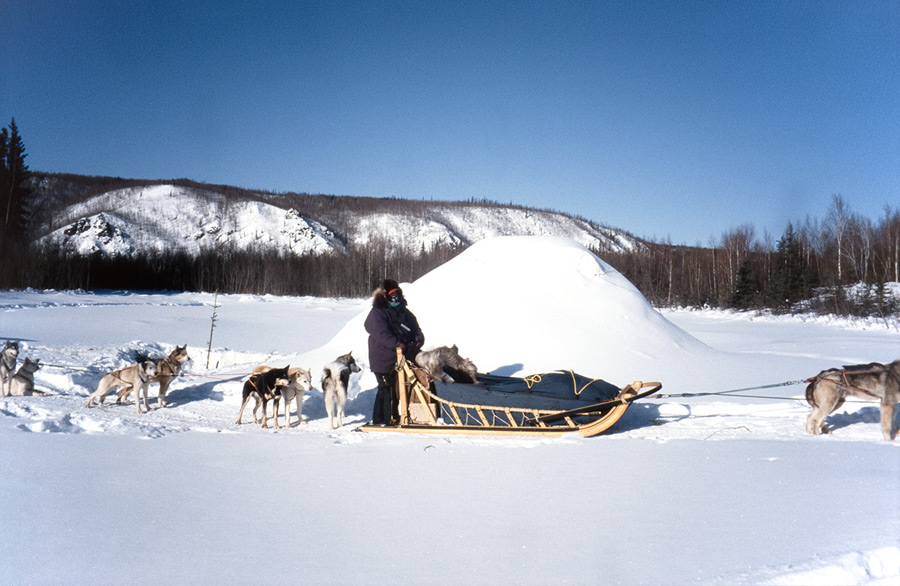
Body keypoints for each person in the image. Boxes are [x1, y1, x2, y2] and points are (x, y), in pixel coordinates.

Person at [364, 279, 424, 425]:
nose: (395, 299)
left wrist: (418, 338)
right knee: (387, 388)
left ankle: (379, 419)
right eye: (393, 296)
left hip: (400, 358)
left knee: (391, 388)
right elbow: (381, 334)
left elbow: (415, 328)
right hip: (383, 357)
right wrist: (397, 343)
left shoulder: (404, 312)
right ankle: (389, 418)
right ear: (385, 296)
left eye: (397, 295)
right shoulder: (377, 313)